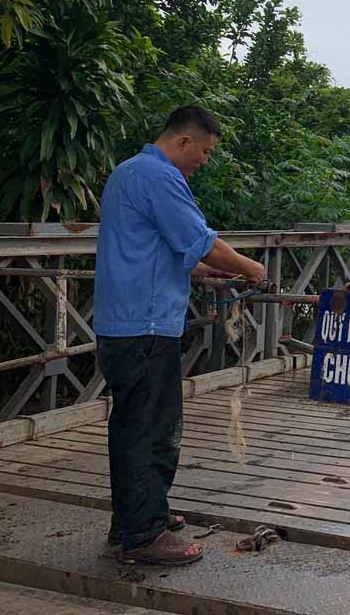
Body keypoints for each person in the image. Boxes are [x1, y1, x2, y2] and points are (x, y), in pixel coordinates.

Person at [94, 106, 265, 566]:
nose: (205, 161)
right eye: (205, 152)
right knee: (152, 430)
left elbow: (155, 246)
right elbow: (200, 238)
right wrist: (251, 267)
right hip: (146, 325)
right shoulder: (160, 176)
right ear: (184, 142)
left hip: (123, 321)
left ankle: (136, 516)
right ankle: (142, 535)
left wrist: (204, 271)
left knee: (133, 425)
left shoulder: (127, 172)